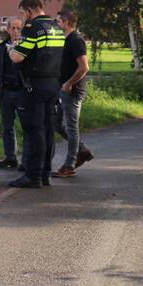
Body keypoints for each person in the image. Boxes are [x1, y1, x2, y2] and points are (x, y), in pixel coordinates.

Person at [7, 0, 66, 188]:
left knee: (34, 131)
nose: (24, 18)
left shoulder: (33, 29)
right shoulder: (57, 28)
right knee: (48, 130)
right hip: (53, 85)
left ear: (30, 11)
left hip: (34, 86)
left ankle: (33, 175)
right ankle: (45, 173)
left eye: (23, 14)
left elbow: (17, 57)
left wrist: (11, 49)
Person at [52, 9, 93, 178]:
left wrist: (69, 83)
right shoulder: (68, 40)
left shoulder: (76, 40)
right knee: (56, 124)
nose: (56, 24)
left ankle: (69, 165)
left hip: (73, 91)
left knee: (71, 127)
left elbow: (84, 67)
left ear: (66, 22)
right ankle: (82, 151)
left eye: (58, 21)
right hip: (64, 90)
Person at [0, 16, 28, 170]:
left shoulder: (28, 47)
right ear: (8, 29)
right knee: (7, 126)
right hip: (5, 92)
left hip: (23, 92)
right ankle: (10, 157)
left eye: (18, 28)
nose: (16, 31)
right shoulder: (0, 48)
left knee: (27, 127)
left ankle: (26, 160)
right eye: (13, 28)